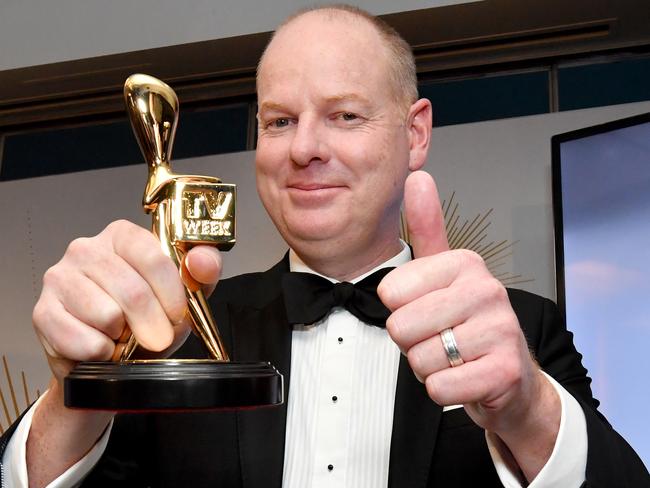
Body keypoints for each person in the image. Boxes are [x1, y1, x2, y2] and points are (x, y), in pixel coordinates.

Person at [1, 5, 648, 487]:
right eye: (279, 120)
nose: (304, 148)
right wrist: (74, 391)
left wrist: (526, 408)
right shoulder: (171, 332)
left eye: (344, 114)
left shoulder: (524, 328)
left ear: (416, 133)